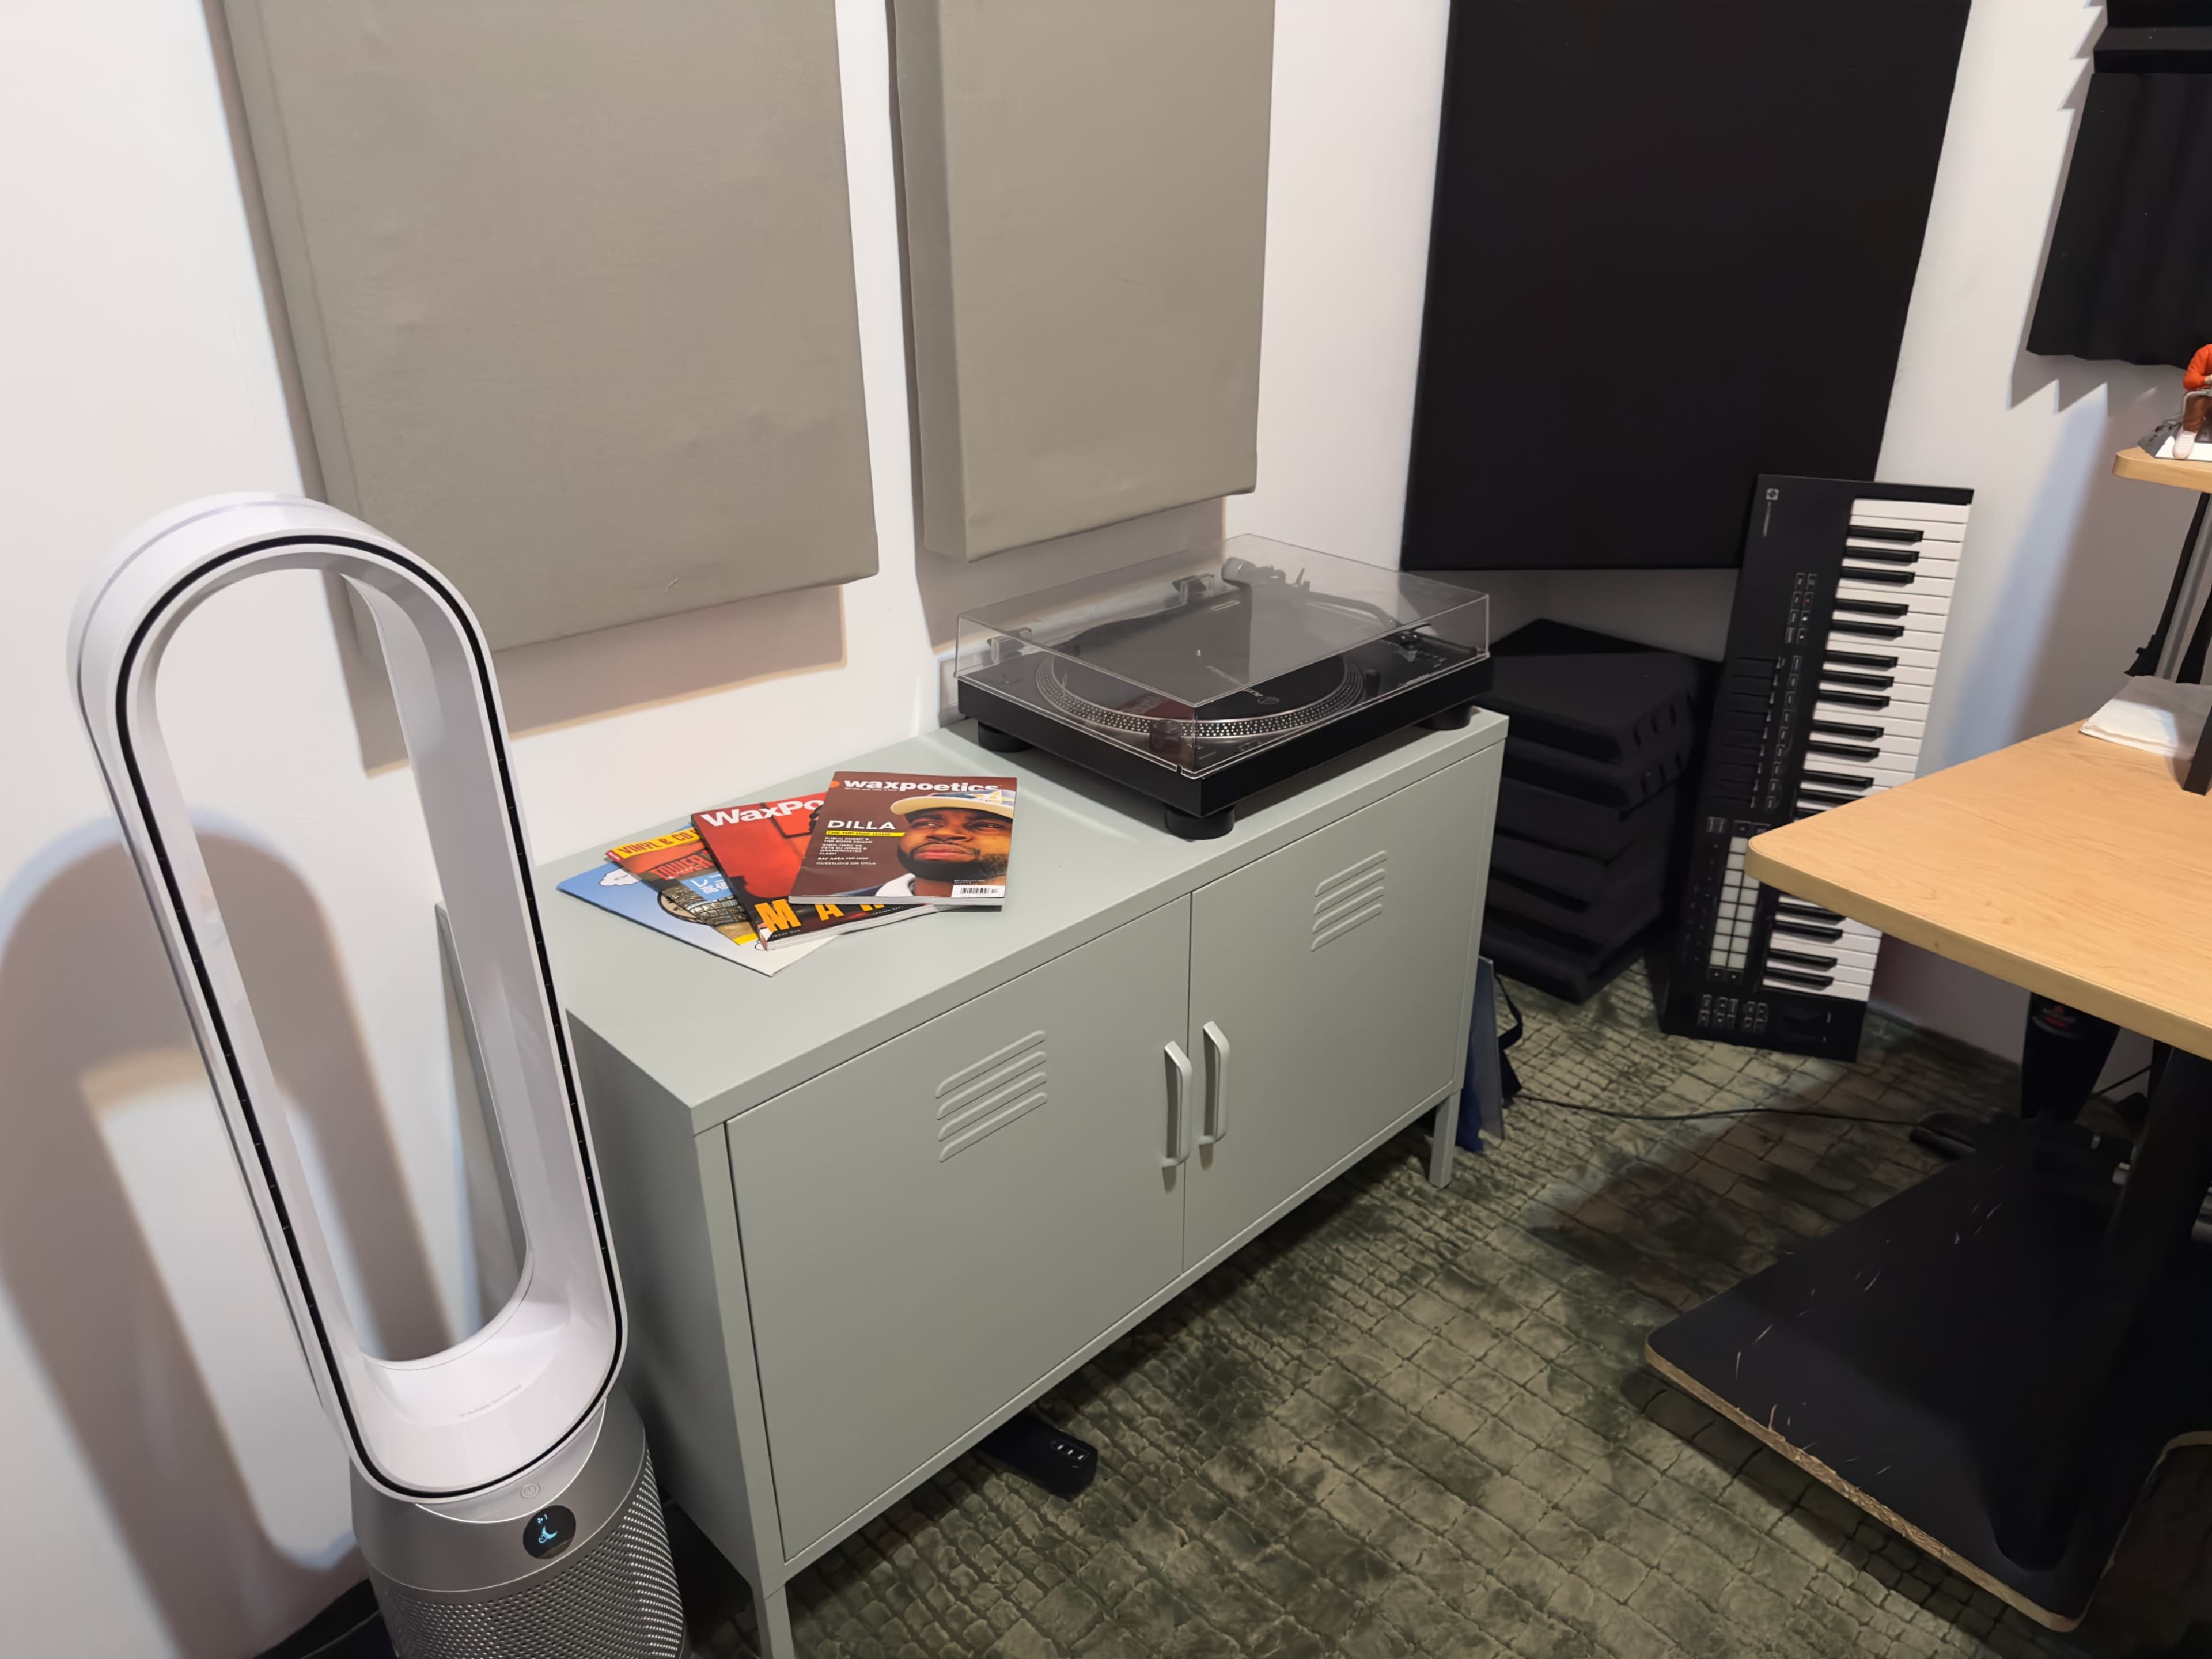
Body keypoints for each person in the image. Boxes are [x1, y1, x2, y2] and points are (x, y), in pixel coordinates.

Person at [864, 789, 1014, 899]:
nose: (944, 833)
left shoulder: (1033, 911)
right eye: (927, 823)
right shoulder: (847, 910)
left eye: (985, 825)